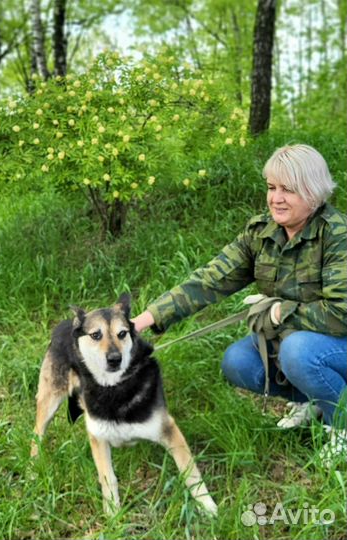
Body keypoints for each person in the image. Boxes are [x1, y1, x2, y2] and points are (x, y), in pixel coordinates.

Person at [132, 144, 347, 467]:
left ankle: (342, 425)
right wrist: (144, 319)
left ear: (313, 192)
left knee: (298, 352)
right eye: (272, 187)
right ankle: (314, 401)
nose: (276, 198)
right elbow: (211, 279)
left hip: (335, 342)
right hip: (298, 338)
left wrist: (279, 311)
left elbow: (341, 314)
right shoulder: (262, 233)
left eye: (288, 190)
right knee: (237, 361)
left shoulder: (337, 236)